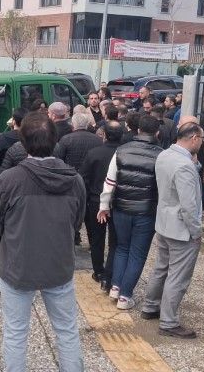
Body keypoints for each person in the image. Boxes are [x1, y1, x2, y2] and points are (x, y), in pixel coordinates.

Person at [0, 111, 86, 372]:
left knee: (15, 331)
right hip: (59, 263)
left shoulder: (8, 180)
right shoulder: (74, 180)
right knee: (67, 330)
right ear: (55, 140)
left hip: (18, 264)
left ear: (22, 142)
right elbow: (76, 222)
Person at [140, 123, 204, 339]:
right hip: (181, 229)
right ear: (194, 138)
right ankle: (169, 322)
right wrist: (196, 231)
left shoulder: (165, 155)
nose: (202, 143)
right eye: (201, 139)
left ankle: (150, 306)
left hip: (164, 222)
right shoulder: (184, 165)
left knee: (161, 268)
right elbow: (189, 205)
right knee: (178, 276)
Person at [97, 115, 163, 310]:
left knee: (121, 248)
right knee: (137, 254)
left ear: (138, 130)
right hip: (146, 211)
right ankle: (125, 296)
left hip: (121, 209)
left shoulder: (121, 150)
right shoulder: (161, 155)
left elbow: (110, 182)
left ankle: (115, 287)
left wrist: (104, 206)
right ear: (157, 133)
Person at [79, 121, 123, 291]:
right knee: (115, 240)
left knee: (97, 238)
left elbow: (83, 176)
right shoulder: (124, 153)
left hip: (96, 200)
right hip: (118, 201)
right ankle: (111, 272)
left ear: (104, 135)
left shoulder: (94, 153)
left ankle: (98, 271)